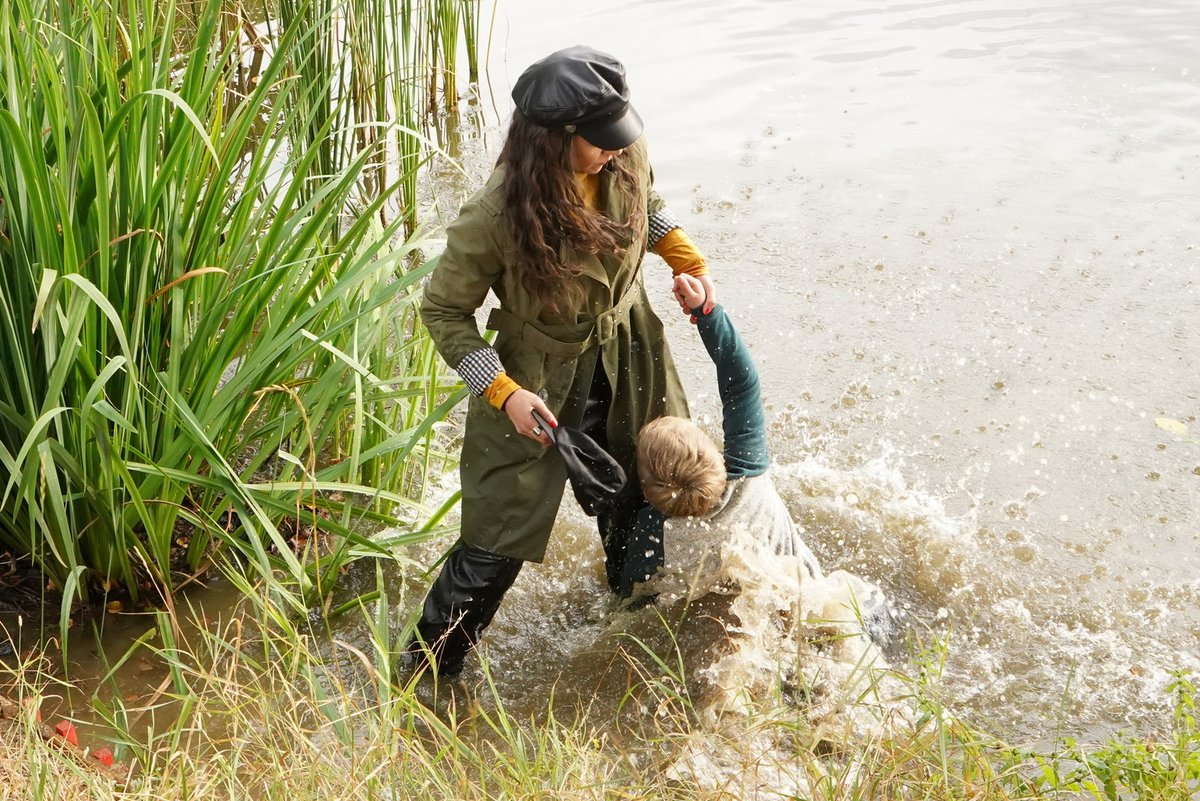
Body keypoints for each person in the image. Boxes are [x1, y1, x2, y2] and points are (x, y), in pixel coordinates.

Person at [409, 45, 717, 678]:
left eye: (619, 135)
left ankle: (627, 634)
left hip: (629, 346)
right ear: (555, 139)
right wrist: (502, 392)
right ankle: (423, 676)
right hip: (535, 376)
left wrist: (686, 262)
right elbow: (442, 312)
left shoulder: (621, 147)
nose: (614, 150)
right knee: (498, 538)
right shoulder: (495, 216)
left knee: (641, 490)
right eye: (599, 142)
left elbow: (648, 210)